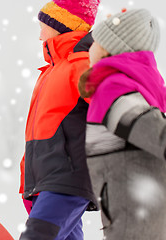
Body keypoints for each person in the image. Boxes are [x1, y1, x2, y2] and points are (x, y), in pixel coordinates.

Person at [78, 8, 166, 240]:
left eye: (94, 42)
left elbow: (158, 135)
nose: (90, 48)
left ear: (108, 48)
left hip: (134, 217)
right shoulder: (137, 86)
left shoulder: (115, 88)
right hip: (143, 212)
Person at [19, 0, 100, 239]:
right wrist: (28, 180)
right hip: (46, 182)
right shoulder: (50, 71)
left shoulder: (81, 63)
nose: (40, 35)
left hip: (65, 179)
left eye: (44, 26)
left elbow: (111, 106)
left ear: (61, 25)